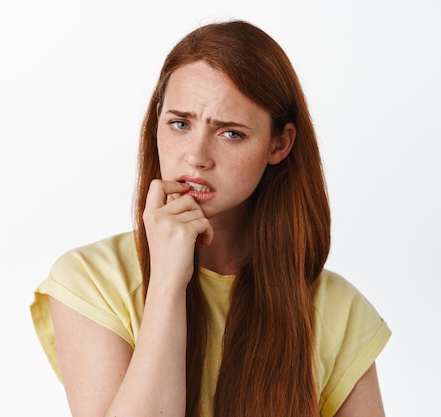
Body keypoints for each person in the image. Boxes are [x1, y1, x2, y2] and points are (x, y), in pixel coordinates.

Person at [30, 20, 391, 417]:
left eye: (230, 133)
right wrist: (167, 282)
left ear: (279, 143)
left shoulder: (337, 310)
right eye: (180, 124)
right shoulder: (92, 280)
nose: (197, 155)